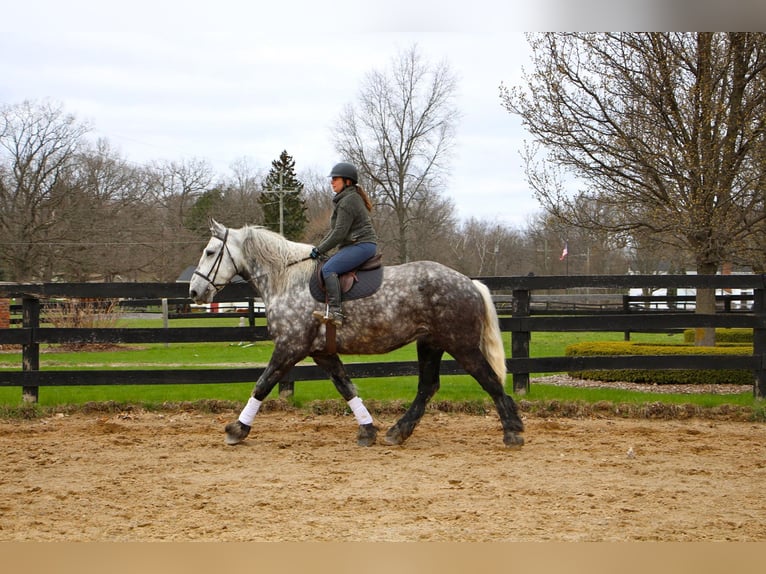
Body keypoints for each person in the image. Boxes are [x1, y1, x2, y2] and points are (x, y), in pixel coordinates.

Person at [310, 162, 377, 326]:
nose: (332, 182)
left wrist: (319, 249)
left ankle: (336, 312)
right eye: (332, 179)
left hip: (362, 244)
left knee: (328, 269)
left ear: (347, 181)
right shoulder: (346, 199)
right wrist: (319, 248)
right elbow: (334, 232)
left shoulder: (348, 201)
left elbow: (339, 234)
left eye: (335, 179)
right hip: (356, 245)